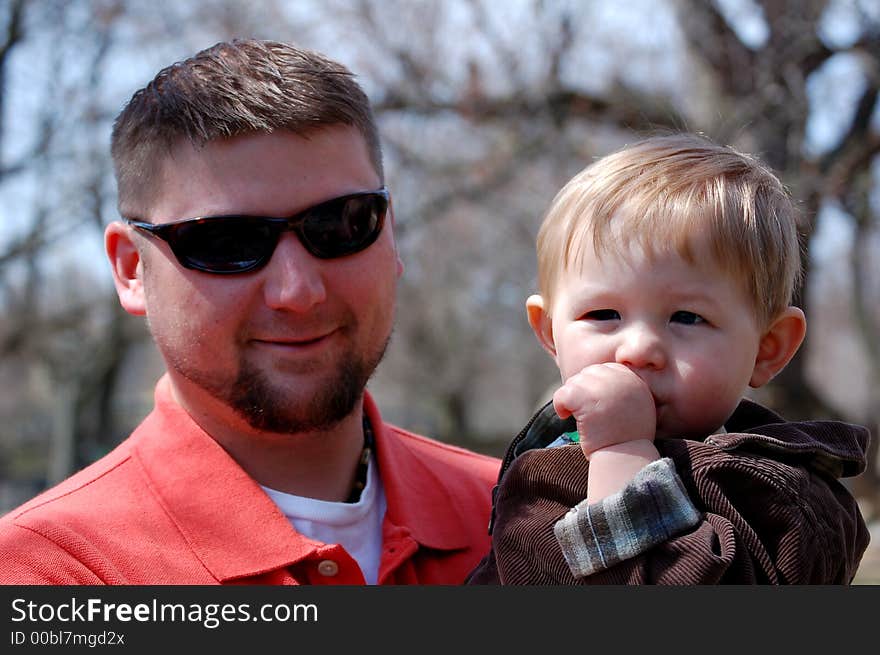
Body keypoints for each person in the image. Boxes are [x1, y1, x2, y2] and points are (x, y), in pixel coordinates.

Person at [0, 39, 500, 584]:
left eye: (342, 224)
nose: (297, 291)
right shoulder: (49, 575)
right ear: (131, 270)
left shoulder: (531, 523)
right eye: (225, 242)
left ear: (391, 233)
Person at [467, 133, 871, 584]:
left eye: (687, 317)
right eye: (603, 314)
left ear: (767, 347)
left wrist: (623, 455)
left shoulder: (781, 496)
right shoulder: (540, 468)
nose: (637, 349)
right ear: (549, 332)